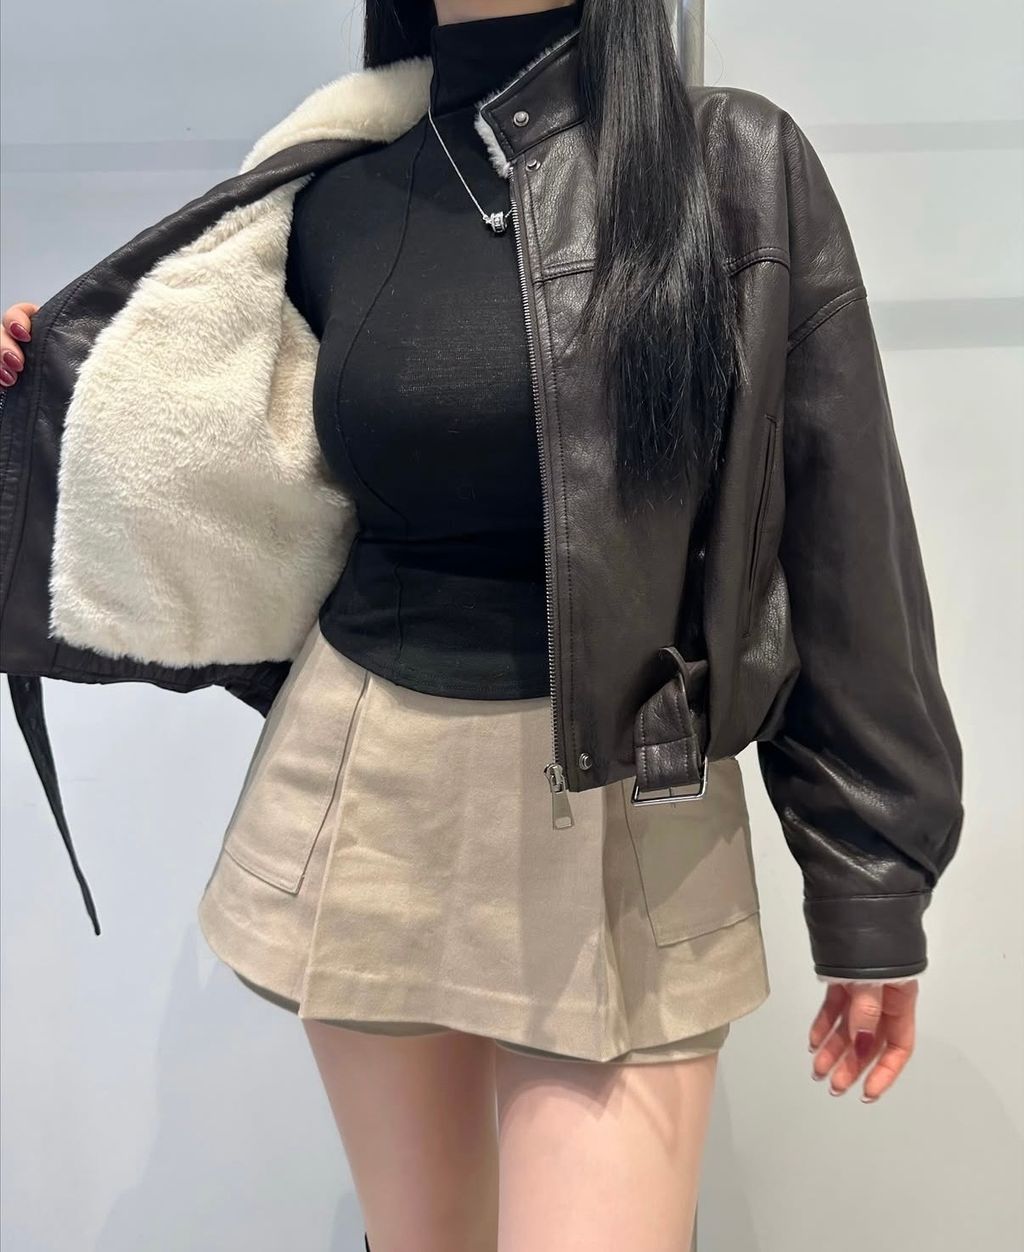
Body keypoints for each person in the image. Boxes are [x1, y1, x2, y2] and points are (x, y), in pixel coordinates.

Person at [0, 0, 964, 1247]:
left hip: (627, 806)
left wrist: (870, 881)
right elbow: (219, 470)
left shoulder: (728, 166)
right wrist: (44, 385)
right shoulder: (331, 192)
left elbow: (839, 526)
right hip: (367, 779)